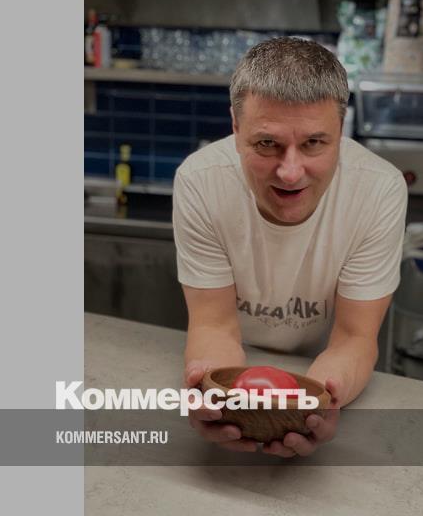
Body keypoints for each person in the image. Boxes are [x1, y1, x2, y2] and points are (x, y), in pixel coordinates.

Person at [172, 36, 407, 457]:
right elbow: (214, 326)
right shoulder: (200, 182)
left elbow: (354, 337)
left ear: (341, 128)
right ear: (235, 126)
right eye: (267, 143)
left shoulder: (378, 190)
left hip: (325, 368)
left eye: (314, 142)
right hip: (236, 367)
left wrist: (318, 401)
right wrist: (214, 390)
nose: (291, 172)